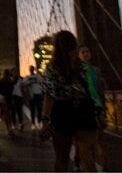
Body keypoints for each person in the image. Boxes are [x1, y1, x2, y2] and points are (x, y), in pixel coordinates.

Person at [41, 31, 98, 172]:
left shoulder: (51, 69)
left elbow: (49, 96)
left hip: (62, 110)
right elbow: (92, 92)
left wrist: (45, 121)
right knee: (87, 156)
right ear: (74, 44)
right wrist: (99, 111)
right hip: (84, 109)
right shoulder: (85, 67)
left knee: (62, 158)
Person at [74, 44, 108, 171]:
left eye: (87, 51)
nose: (86, 54)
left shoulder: (96, 70)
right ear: (78, 55)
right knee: (82, 138)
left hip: (97, 105)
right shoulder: (76, 70)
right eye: (83, 52)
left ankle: (104, 166)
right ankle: (80, 161)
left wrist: (103, 106)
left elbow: (100, 89)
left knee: (100, 136)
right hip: (83, 107)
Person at [0, 69, 15, 136]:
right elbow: (12, 90)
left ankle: (8, 128)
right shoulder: (11, 81)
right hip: (9, 98)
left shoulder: (0, 81)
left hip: (2, 97)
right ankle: (11, 127)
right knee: (9, 113)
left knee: (6, 113)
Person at [24, 65, 44, 129]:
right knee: (32, 110)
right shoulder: (28, 77)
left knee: (39, 109)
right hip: (32, 95)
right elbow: (24, 85)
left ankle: (39, 121)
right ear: (30, 70)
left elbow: (42, 83)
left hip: (38, 94)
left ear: (34, 69)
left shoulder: (38, 76)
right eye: (31, 69)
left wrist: (41, 92)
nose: (31, 69)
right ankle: (33, 123)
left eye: (32, 68)